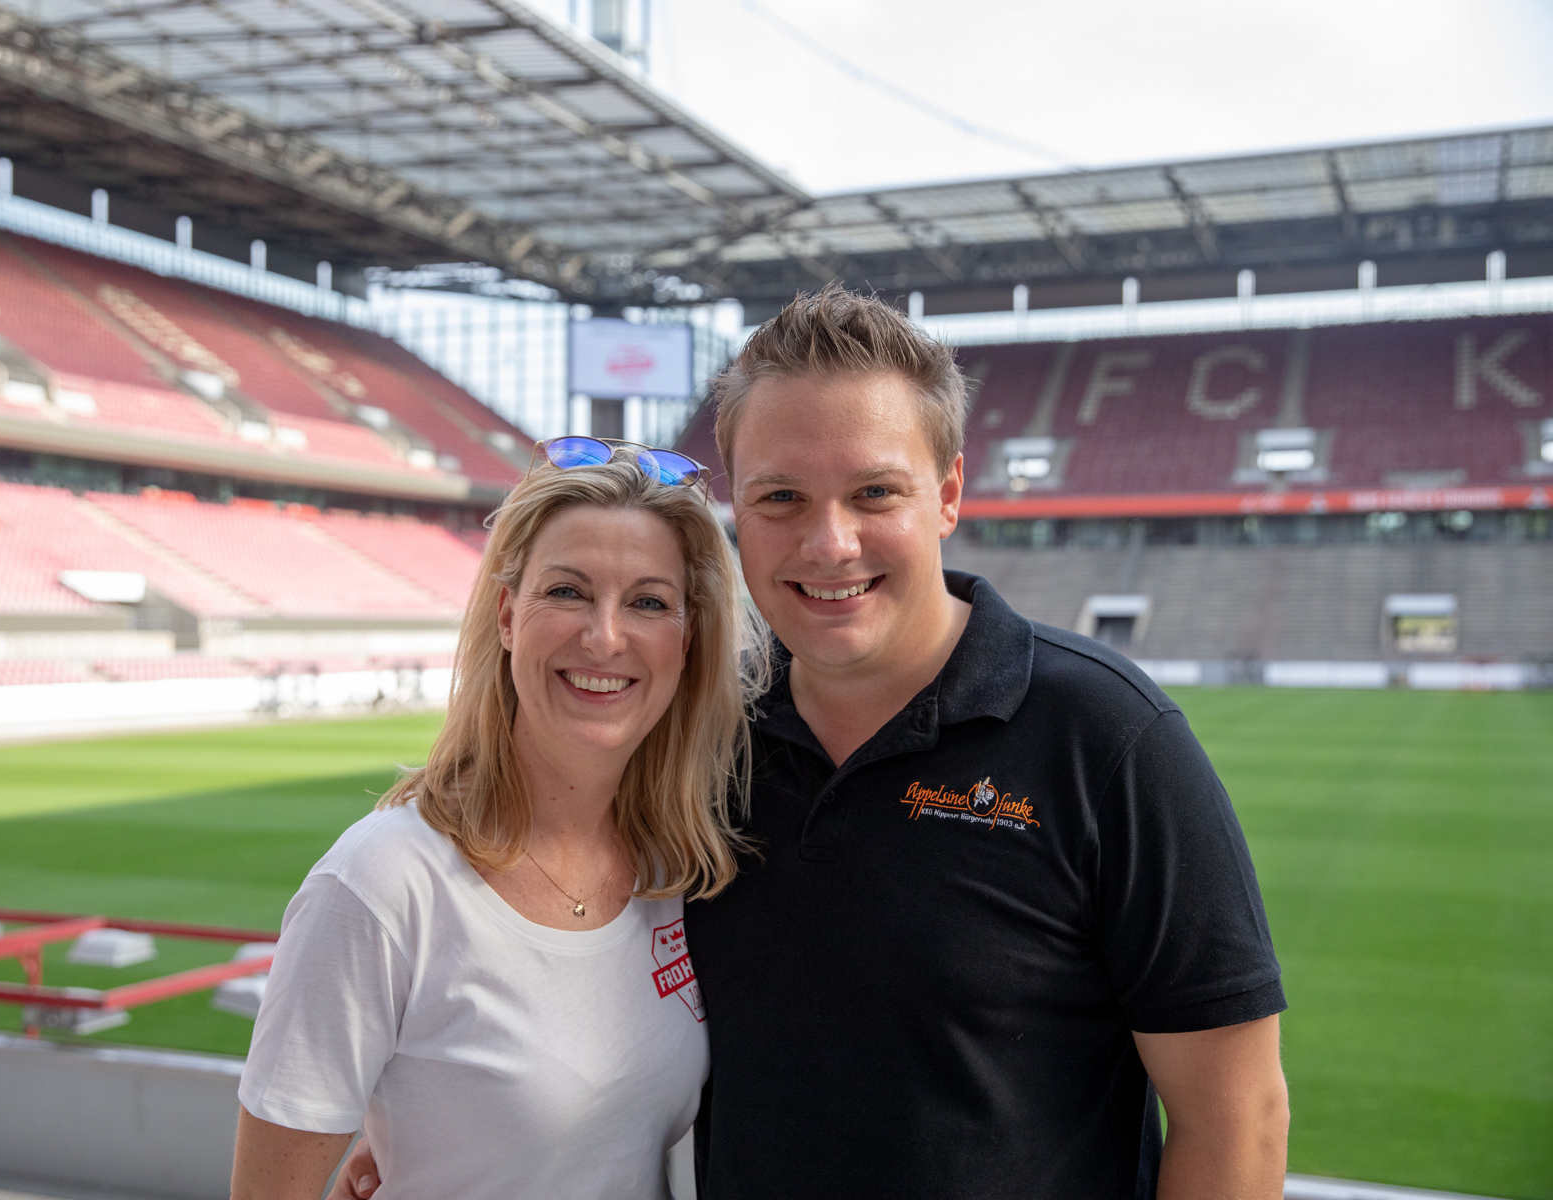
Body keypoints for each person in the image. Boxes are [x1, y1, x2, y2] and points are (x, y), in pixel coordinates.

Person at [339, 285, 1289, 1200]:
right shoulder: (694, 740)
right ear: (737, 513)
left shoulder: (1109, 738)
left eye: (874, 492)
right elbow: (564, 939)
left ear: (947, 493)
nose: (830, 544)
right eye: (782, 497)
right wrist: (445, 1130)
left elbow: (1237, 1120)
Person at [230, 441, 759, 1200]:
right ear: (509, 616)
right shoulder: (381, 884)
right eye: (567, 592)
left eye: (648, 602)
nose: (605, 637)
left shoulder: (675, 867)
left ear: (687, 638)